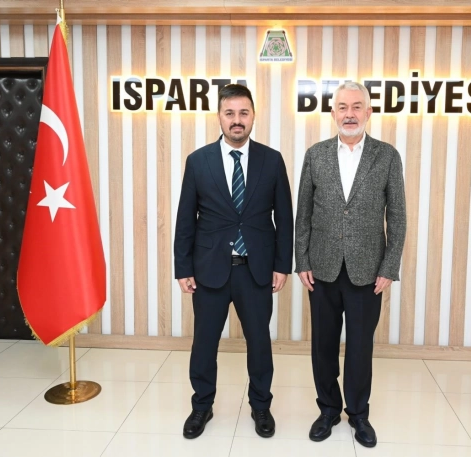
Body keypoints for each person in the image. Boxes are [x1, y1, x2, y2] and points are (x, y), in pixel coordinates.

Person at [174, 84, 293, 440]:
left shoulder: (272, 160)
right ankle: (202, 405)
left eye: (243, 113)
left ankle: (261, 405)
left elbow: (284, 218)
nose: (237, 120)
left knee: (259, 342)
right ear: (220, 117)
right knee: (204, 343)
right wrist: (183, 267)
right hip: (209, 270)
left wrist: (282, 265)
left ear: (253, 116)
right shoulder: (198, 161)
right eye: (230, 113)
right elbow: (185, 218)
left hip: (256, 270)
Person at [295, 81, 406, 448]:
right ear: (333, 113)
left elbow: (398, 217)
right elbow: (303, 215)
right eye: (342, 107)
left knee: (360, 347)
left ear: (369, 112)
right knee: (323, 345)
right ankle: (328, 409)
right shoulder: (315, 155)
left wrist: (389, 267)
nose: (350, 114)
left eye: (357, 106)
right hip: (322, 268)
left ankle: (358, 413)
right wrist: (302, 260)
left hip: (368, 271)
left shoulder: (387, 156)